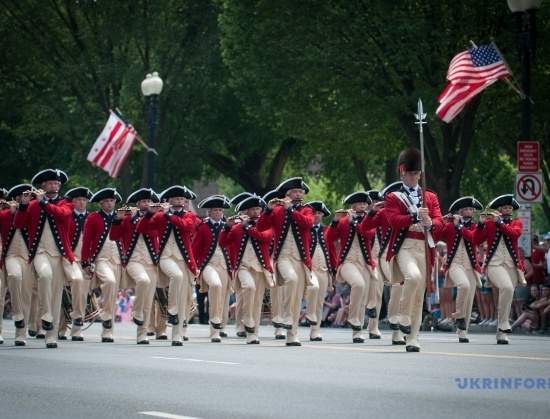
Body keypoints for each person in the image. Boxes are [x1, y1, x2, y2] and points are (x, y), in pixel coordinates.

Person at [14, 169, 84, 349]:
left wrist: (43, 202)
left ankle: (50, 336)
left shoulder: (66, 204)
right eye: (51, 183)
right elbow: (19, 224)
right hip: (39, 253)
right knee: (42, 278)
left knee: (56, 295)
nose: (55, 186)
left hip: (59, 255)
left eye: (57, 183)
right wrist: (22, 206)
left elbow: (61, 215)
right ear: (43, 186)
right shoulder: (33, 205)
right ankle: (38, 321)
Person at [384, 149, 444, 352]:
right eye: (411, 173)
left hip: (425, 248)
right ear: (402, 172)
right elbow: (393, 221)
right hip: (405, 246)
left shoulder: (430, 197)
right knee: (413, 277)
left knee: (419, 295)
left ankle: (413, 338)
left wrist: (430, 222)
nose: (414, 176)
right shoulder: (394, 197)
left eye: (417, 173)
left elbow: (440, 222)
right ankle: (402, 315)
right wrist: (415, 216)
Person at [257, 177, 315, 346]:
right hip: (283, 257)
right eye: (295, 192)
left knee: (296, 297)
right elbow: (261, 227)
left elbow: (307, 224)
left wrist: (291, 211)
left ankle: (292, 335)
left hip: (301, 259)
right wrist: (267, 210)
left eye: (300, 192)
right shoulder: (278, 210)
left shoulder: (306, 209)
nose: (299, 194)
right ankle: (286, 317)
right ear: (287, 194)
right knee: (291, 279)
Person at [110, 188, 160, 344]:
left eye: (149, 201)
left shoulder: (156, 218)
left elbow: (148, 229)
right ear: (138, 204)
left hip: (151, 262)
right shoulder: (127, 218)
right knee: (143, 281)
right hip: (133, 261)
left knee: (148, 300)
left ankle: (142, 335)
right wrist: (117, 220)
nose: (147, 204)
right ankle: (136, 311)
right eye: (144, 202)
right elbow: (114, 236)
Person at [328, 191, 378, 343]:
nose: (363, 205)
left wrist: (354, 222)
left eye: (365, 203)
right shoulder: (344, 220)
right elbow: (330, 238)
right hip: (347, 262)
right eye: (360, 203)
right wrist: (336, 222)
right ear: (353, 205)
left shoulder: (371, 219)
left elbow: (368, 234)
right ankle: (353, 317)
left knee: (362, 297)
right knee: (358, 284)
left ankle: (357, 332)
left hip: (365, 262)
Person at [475, 194, 526, 344]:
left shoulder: (517, 223)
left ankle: (501, 332)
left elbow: (514, 234)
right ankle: (504, 324)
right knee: (507, 287)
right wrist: (480, 225)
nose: (507, 210)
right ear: (499, 209)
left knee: (508, 294)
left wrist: (500, 224)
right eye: (504, 208)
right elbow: (476, 240)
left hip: (512, 265)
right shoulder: (490, 224)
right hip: (494, 264)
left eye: (510, 207)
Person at [224, 194, 274, 344]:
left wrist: (248, 227)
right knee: (248, 287)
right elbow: (224, 242)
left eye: (258, 209)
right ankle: (246, 319)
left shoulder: (266, 225)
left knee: (258, 301)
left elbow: (264, 238)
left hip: (260, 268)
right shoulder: (238, 227)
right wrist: (227, 226)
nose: (256, 212)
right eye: (252, 209)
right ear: (246, 211)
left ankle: (253, 334)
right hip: (243, 267)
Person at [81, 188, 124, 343]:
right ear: (100, 203)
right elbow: (87, 241)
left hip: (117, 260)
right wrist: (85, 261)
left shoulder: (121, 216)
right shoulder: (93, 218)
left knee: (112, 294)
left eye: (111, 201)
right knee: (110, 282)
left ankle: (107, 332)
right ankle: (105, 317)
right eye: (106, 201)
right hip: (101, 259)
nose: (109, 203)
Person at [441, 196, 483, 343]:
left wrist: (459, 226)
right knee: (463, 285)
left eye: (471, 209)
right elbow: (438, 234)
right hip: (454, 263)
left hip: (470, 265)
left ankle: (462, 331)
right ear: (460, 211)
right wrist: (443, 220)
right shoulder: (451, 225)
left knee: (469, 299)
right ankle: (459, 316)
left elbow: (474, 238)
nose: (469, 211)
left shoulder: (476, 226)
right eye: (466, 209)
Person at [194, 195, 233, 343]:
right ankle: (214, 327)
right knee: (215, 286)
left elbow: (233, 247)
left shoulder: (228, 226)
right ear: (209, 212)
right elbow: (195, 248)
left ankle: (220, 327)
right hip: (208, 265)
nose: (218, 212)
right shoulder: (203, 226)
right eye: (215, 210)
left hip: (225, 265)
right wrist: (195, 267)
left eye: (220, 210)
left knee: (223, 296)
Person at [0, 184, 36, 346]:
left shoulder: (33, 215)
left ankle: (21, 334)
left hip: (28, 258)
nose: (27, 199)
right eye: (24, 196)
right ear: (16, 199)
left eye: (29, 196)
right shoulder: (6, 214)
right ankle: (16, 315)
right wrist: (9, 210)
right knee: (14, 276)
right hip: (10, 256)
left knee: (26, 295)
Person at [60, 186, 93, 341]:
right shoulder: (66, 216)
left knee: (82, 294)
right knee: (64, 293)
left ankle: (77, 328)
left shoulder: (91, 218)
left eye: (84, 200)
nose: (81, 202)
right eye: (78, 200)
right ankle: (61, 328)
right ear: (72, 202)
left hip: (85, 260)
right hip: (68, 258)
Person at [306, 201, 336, 341]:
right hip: (309, 269)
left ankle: (315, 330)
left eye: (319, 213)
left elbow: (331, 251)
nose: (317, 215)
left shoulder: (326, 230)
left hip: (324, 269)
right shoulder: (304, 229)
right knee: (313, 289)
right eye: (314, 213)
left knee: (320, 301)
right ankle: (307, 314)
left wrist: (333, 271)